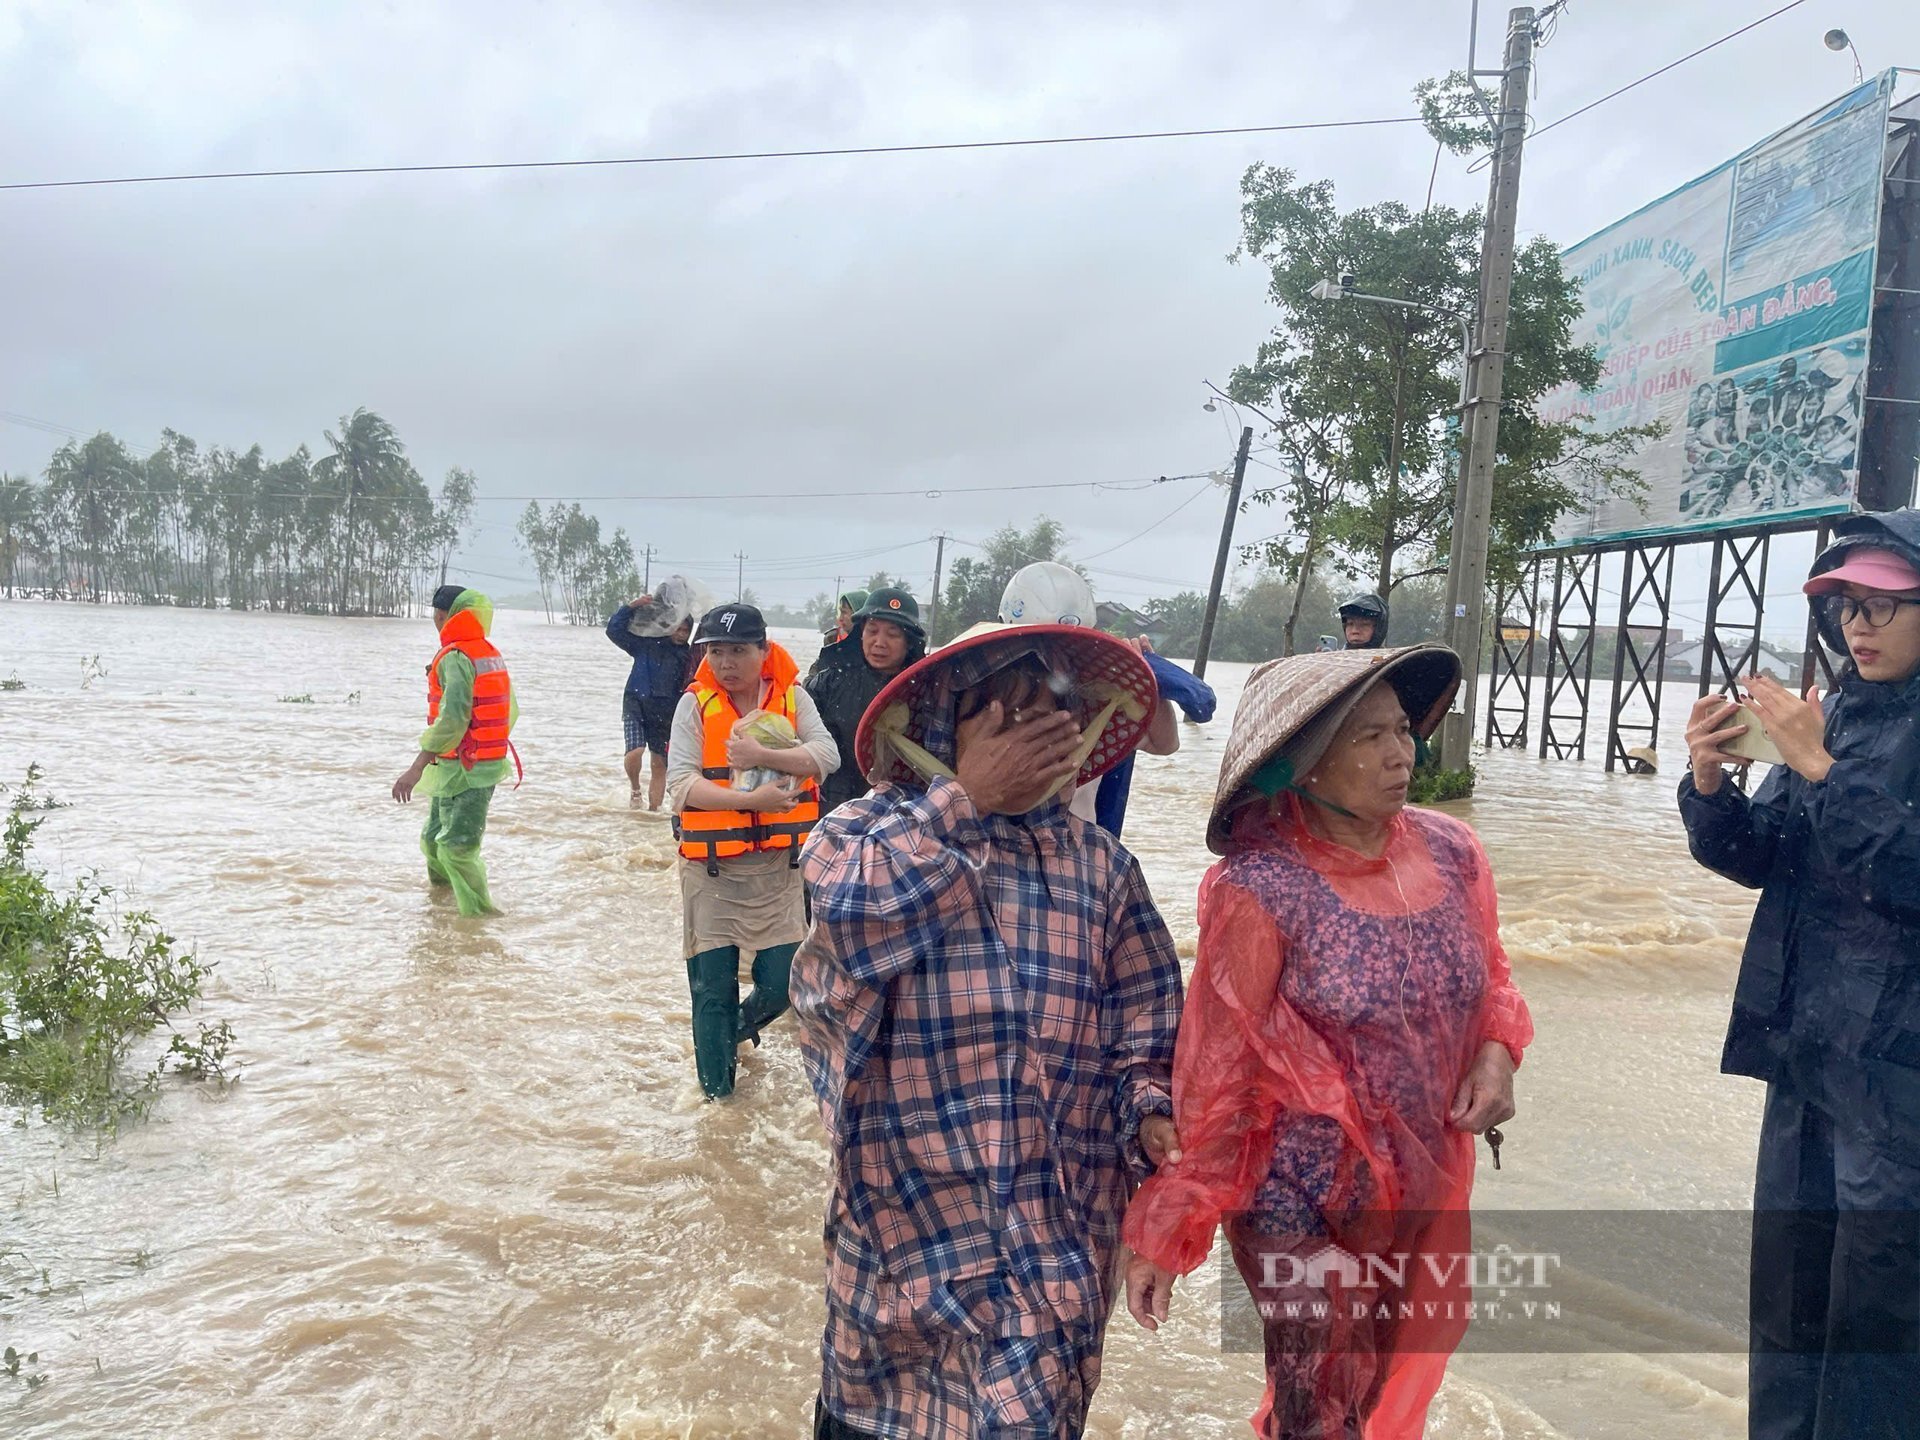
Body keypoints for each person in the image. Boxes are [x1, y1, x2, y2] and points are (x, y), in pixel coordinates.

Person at [1122, 644, 1532, 1439]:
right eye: (1366, 738)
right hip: (1296, 1194)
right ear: (1304, 763)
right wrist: (1171, 1229)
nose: (1399, 755)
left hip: (1419, 1178)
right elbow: (1220, 1069)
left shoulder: (1452, 853)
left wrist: (1499, 1051)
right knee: (1319, 1395)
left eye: (1402, 731)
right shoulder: (1261, 888)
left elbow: (1494, 974)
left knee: (1374, 1388)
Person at [792, 620, 1184, 1440]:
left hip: (1050, 1275)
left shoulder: (1102, 869)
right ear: (941, 728)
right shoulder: (858, 836)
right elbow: (858, 926)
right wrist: (966, 803)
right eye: (1006, 714)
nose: (1036, 733)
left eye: (1053, 712)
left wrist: (1150, 1112)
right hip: (896, 1275)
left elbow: (1145, 1032)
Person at [1678, 508, 1920, 1439]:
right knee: (1788, 1295)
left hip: (1902, 1078)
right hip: (1810, 1059)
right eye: (1846, 606)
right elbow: (1764, 856)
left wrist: (1821, 768)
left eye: (1885, 607)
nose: (1859, 626)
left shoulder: (1830, 738)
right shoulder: (1841, 713)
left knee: (1882, 1313)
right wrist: (1710, 787)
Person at [667, 603, 838, 1100]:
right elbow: (681, 784)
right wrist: (749, 800)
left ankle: (731, 1035)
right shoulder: (694, 705)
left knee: (784, 981)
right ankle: (717, 1105)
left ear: (764, 651)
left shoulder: (793, 698)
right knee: (711, 991)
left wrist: (762, 757)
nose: (726, 662)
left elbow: (826, 756)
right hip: (711, 871)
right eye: (715, 651)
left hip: (778, 868)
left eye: (738, 650)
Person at [996, 561, 1212, 836]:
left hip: (1076, 856)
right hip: (1002, 851)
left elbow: (1165, 744)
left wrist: (1142, 679)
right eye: (1039, 650)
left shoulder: (1097, 701)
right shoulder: (978, 705)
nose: (1053, 663)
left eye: (1067, 648)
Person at [390, 585, 519, 918]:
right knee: (434, 839)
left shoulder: (457, 657)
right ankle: (441, 912)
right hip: (461, 764)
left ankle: (482, 920)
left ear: (441, 616)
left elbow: (453, 719)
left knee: (456, 848)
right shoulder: (486, 651)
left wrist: (416, 766)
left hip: (470, 768)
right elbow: (511, 711)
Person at [803, 586, 927, 813]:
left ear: (909, 641)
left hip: (905, 810)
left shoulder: (929, 690)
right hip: (835, 807)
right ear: (860, 633)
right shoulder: (828, 682)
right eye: (872, 631)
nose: (879, 642)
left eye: (892, 634)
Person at [605, 597, 695, 810]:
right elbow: (614, 631)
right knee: (635, 751)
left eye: (686, 631)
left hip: (666, 713)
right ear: (669, 626)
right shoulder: (645, 644)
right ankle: (635, 788)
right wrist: (631, 606)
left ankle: (652, 813)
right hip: (635, 703)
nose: (681, 634)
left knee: (659, 765)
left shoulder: (688, 656)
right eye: (678, 629)